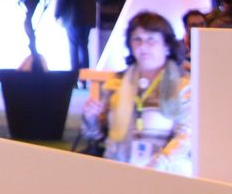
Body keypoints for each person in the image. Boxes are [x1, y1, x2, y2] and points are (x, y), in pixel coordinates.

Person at [79, 12, 191, 174]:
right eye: (137, 39)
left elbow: (186, 136)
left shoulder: (183, 86)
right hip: (118, 172)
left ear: (167, 46)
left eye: (151, 39)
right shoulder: (117, 83)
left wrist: (159, 164)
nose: (143, 46)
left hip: (167, 175)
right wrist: (90, 118)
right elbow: (96, 135)